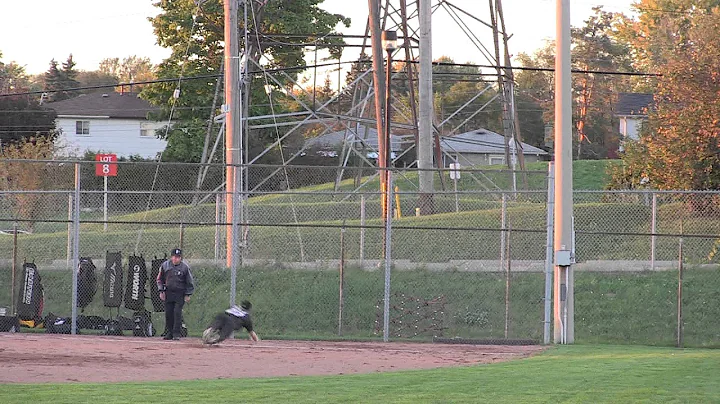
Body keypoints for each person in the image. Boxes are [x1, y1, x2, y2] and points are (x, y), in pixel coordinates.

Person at [157, 248, 194, 340]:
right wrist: (161, 291)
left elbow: (189, 281)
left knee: (177, 313)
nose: (176, 259)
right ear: (171, 257)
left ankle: (176, 333)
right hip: (168, 293)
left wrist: (187, 294)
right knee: (169, 313)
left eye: (178, 257)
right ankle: (169, 332)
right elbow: (159, 279)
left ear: (180, 258)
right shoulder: (165, 266)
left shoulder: (184, 267)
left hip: (179, 293)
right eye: (174, 257)